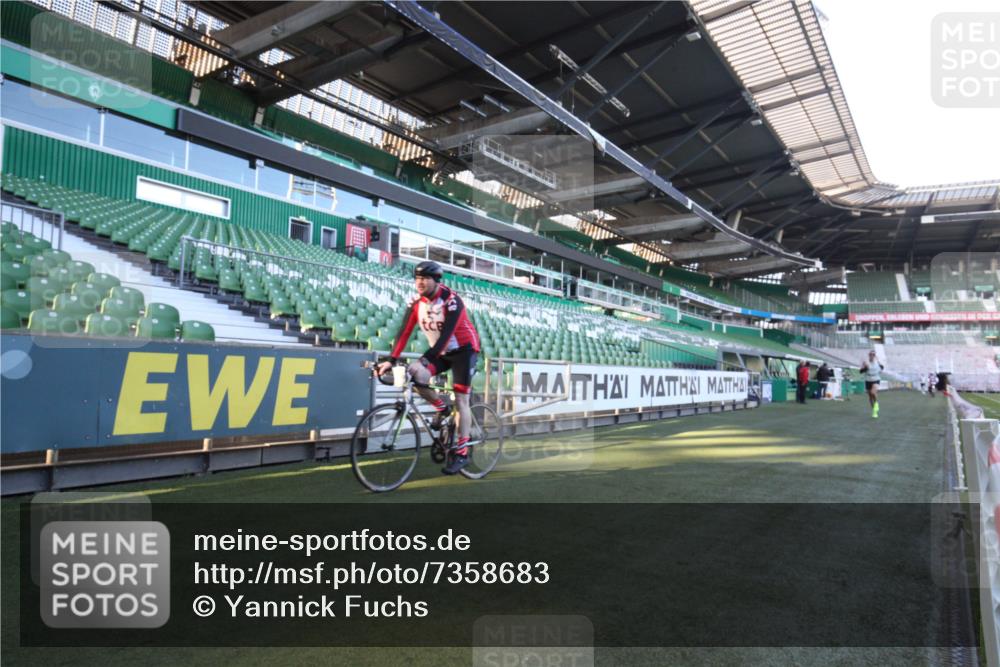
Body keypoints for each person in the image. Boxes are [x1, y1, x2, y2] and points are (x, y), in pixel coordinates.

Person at [376, 261, 481, 475]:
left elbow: (446, 336)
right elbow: (403, 332)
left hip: (464, 351)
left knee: (461, 399)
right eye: (417, 278)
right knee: (414, 375)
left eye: (425, 278)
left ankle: (461, 453)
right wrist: (391, 359)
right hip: (441, 352)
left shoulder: (452, 301)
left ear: (436, 281)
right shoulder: (415, 303)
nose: (420, 282)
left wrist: (424, 359)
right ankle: (442, 409)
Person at [860, 350, 884, 418]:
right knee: (870, 397)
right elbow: (861, 371)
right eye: (871, 354)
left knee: (873, 392)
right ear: (869, 355)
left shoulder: (877, 362)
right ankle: (874, 411)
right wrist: (865, 368)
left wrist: (880, 366)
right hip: (868, 380)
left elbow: (882, 367)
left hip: (876, 379)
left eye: (873, 354)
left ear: (875, 356)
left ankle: (876, 404)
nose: (872, 356)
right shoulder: (865, 362)